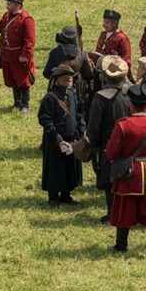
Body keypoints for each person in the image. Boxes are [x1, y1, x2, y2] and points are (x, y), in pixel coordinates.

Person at [99, 83, 146, 258]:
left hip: (128, 176)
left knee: (125, 210)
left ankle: (121, 246)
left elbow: (111, 153)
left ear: (130, 104)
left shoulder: (123, 125)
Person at [86, 55, 129, 222]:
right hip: (129, 143)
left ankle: (113, 212)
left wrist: (90, 142)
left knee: (109, 179)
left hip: (107, 144)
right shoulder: (130, 93)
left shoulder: (100, 97)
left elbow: (94, 126)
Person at [39, 66, 82, 206]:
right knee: (55, 168)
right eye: (64, 76)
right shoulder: (50, 98)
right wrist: (57, 138)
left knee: (69, 167)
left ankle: (66, 195)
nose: (68, 79)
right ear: (57, 79)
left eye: (70, 77)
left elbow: (79, 114)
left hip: (71, 137)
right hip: (55, 139)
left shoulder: (72, 94)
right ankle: (53, 197)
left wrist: (81, 129)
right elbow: (45, 119)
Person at [0, 0, 36, 113]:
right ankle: (17, 103)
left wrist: (25, 56)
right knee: (13, 80)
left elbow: (30, 41)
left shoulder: (26, 20)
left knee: (23, 81)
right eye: (7, 3)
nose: (7, 5)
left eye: (10, 3)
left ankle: (25, 105)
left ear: (18, 5)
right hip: (7, 55)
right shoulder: (6, 16)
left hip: (19, 56)